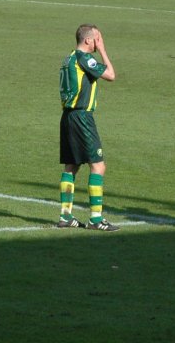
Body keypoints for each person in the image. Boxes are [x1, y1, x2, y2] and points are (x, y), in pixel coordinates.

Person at [58, 24, 118, 231]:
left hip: (67, 116)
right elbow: (111, 75)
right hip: (82, 116)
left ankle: (65, 215)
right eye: (97, 40)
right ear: (88, 40)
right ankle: (95, 219)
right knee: (98, 166)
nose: (98, 43)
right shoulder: (84, 58)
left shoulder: (68, 58)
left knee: (71, 166)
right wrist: (103, 51)